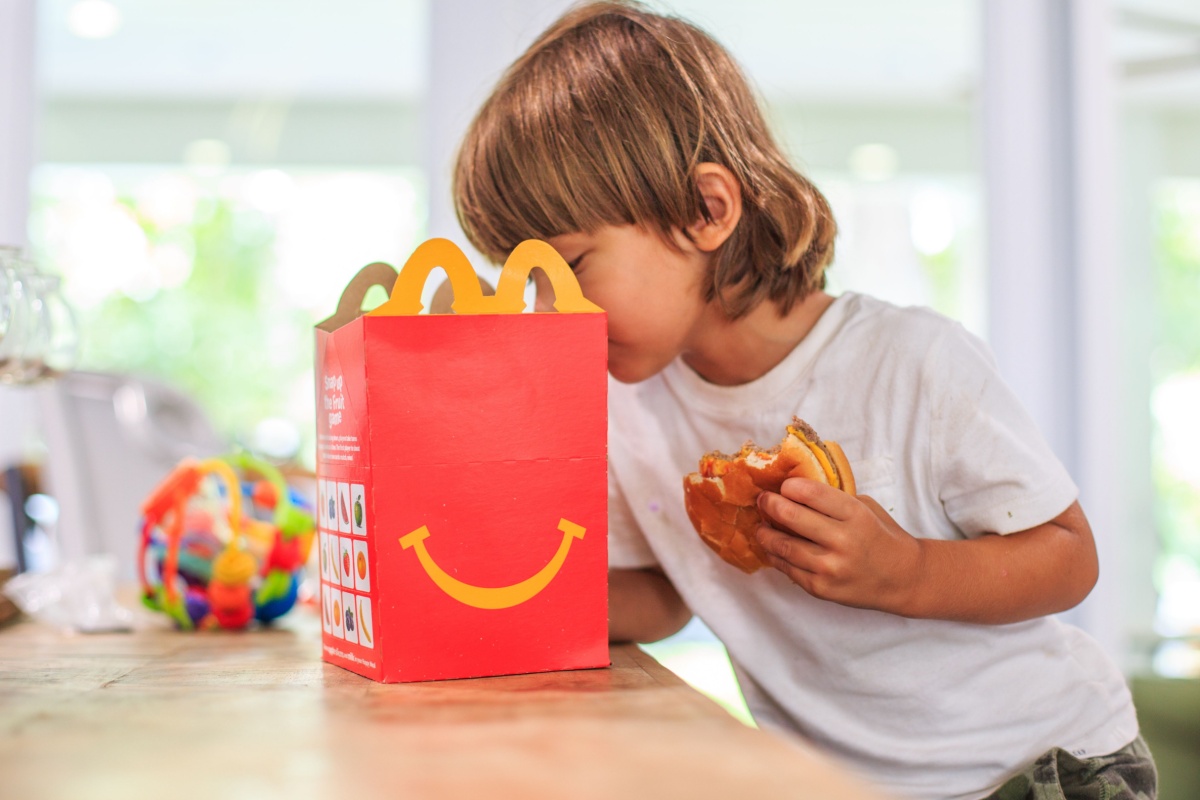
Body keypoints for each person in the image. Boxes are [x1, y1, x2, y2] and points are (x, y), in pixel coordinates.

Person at [451, 3, 1156, 798]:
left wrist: (909, 570)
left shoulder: (910, 361)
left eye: (570, 268)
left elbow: (1068, 555)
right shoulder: (632, 408)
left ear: (706, 210)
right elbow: (664, 595)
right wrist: (498, 591)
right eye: (528, 284)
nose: (546, 313)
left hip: (1038, 768)